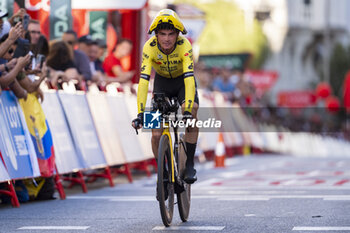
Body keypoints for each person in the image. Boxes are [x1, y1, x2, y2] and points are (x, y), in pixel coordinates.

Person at [132, 9, 199, 184]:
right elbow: (144, 81)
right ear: (156, 34)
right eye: (162, 34)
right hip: (162, 83)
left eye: (171, 34)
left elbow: (190, 80)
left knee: (191, 114)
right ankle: (162, 170)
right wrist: (140, 113)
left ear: (178, 34)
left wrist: (187, 111)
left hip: (182, 82)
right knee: (155, 134)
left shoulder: (185, 46)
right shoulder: (149, 47)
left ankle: (190, 163)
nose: (167, 38)